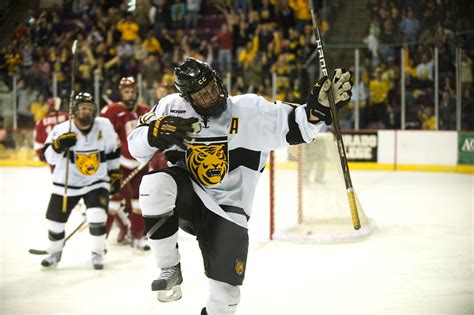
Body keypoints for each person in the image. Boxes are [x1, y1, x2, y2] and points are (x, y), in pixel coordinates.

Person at [127, 58, 352, 314]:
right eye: (201, 95)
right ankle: (169, 266)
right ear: (187, 98)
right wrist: (152, 133)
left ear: (218, 80)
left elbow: (298, 124)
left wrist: (319, 108)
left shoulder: (249, 109)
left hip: (229, 211)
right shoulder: (171, 107)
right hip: (189, 194)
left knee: (226, 298)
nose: (210, 96)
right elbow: (135, 147)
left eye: (211, 87)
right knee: (154, 184)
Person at [40, 92, 121, 270]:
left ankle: (97, 253)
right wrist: (57, 146)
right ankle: (54, 252)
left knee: (97, 217)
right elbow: (48, 158)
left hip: (96, 181)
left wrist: (114, 173)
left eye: (90, 108)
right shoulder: (62, 129)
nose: (86, 111)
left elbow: (114, 150)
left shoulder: (104, 125)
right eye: (82, 108)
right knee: (55, 222)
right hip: (66, 183)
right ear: (75, 111)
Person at [100, 77, 151, 250]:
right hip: (118, 164)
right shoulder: (111, 111)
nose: (130, 94)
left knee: (139, 202)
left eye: (132, 91)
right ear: (121, 93)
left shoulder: (145, 110)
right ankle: (101, 241)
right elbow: (102, 136)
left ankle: (137, 236)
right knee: (113, 201)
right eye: (126, 91)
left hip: (140, 164)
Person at [33, 97, 69, 163]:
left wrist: (41, 154)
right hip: (65, 152)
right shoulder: (66, 117)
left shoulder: (41, 121)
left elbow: (38, 141)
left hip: (49, 153)